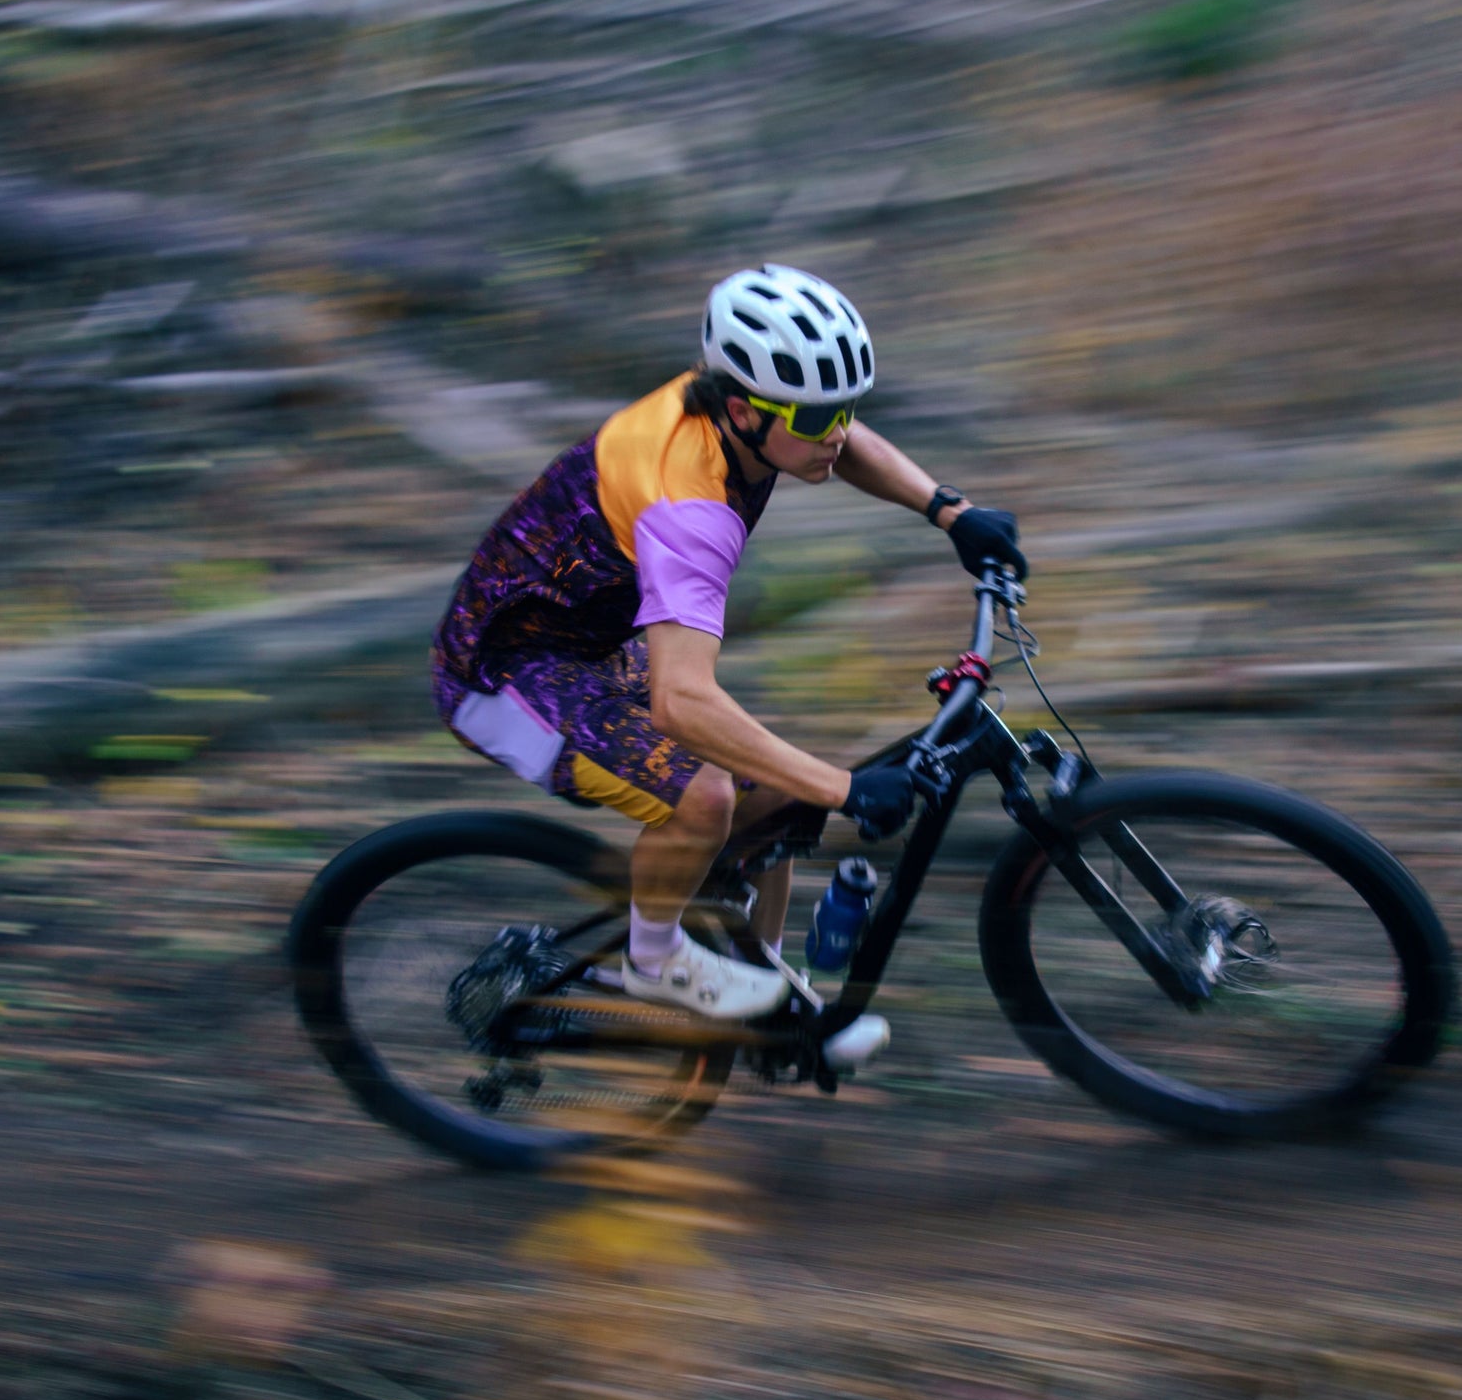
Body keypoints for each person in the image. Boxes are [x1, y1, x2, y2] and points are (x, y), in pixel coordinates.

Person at [431, 264, 1028, 1039]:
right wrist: (847, 789)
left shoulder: (747, 412)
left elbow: (834, 440)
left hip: (586, 644)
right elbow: (681, 701)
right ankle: (655, 960)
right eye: (816, 419)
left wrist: (950, 510)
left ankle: (766, 985)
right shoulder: (693, 507)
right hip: (502, 674)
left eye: (844, 408)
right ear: (745, 413)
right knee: (707, 795)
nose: (838, 431)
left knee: (776, 784)